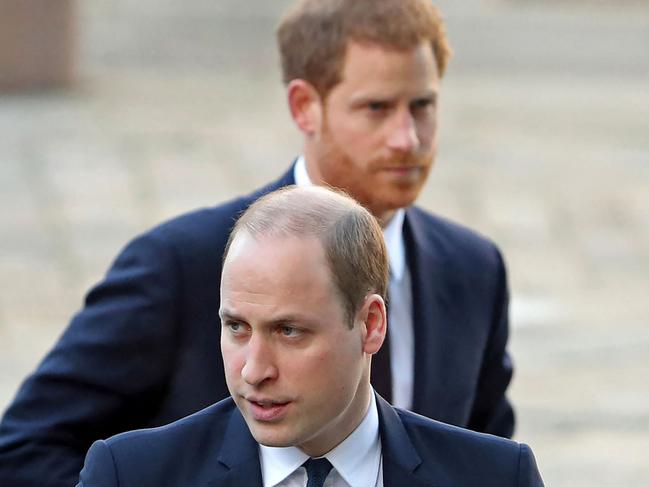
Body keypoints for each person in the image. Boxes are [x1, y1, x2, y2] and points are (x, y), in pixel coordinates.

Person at [0, 1, 514, 485]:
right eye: (376, 108)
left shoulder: (472, 269)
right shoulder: (185, 262)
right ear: (304, 106)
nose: (407, 138)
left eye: (421, 106)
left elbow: (475, 452)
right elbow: (23, 448)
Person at [76, 186, 542, 487]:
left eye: (289, 331)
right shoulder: (130, 475)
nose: (254, 370)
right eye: (236, 327)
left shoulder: (496, 477)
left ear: (371, 325)